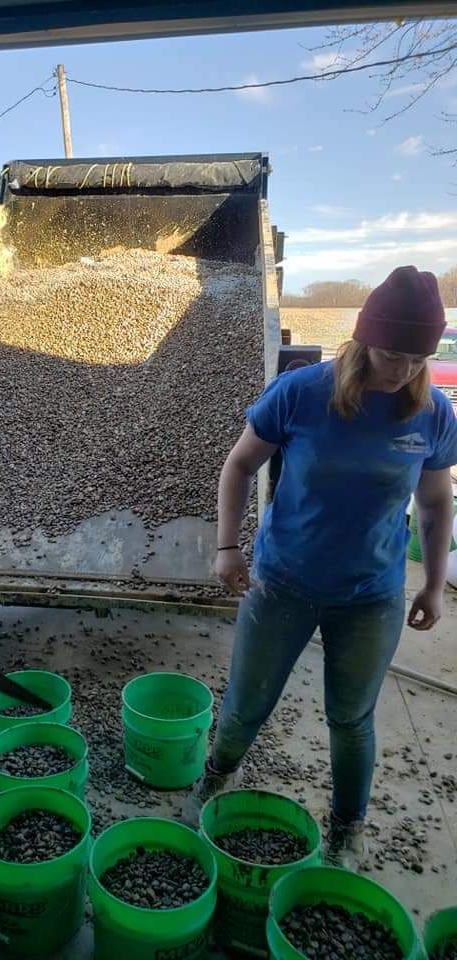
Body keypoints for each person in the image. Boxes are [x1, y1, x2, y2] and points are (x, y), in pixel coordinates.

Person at [185, 266, 457, 868]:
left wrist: (435, 584)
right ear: (363, 340)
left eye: (419, 357)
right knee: (247, 702)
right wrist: (229, 548)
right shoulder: (303, 392)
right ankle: (216, 774)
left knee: (352, 718)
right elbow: (239, 466)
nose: (404, 370)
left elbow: (436, 504)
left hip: (372, 595)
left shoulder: (433, 413)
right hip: (283, 583)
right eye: (392, 354)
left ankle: (347, 826)